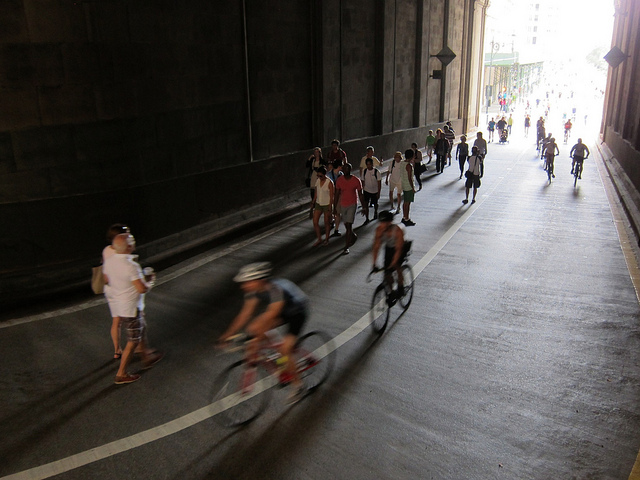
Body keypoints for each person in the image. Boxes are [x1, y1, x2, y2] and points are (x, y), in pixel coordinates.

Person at [219, 262, 309, 404]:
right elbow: (244, 315)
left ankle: (298, 386)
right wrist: (226, 335)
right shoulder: (253, 291)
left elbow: (271, 316)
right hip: (282, 310)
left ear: (259, 280)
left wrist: (256, 339)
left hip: (297, 311)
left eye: (247, 282)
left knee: (284, 350)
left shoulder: (275, 290)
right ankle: (279, 359)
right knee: (253, 328)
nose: (243, 286)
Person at [103, 234, 163, 384]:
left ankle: (147, 358)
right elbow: (142, 288)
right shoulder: (131, 266)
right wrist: (150, 281)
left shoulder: (109, 261)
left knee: (141, 329)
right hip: (131, 308)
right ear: (129, 246)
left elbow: (107, 279)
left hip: (120, 304)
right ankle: (121, 374)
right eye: (132, 240)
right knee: (133, 340)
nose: (134, 241)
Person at [102, 223, 130, 360]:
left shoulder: (106, 250)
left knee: (116, 320)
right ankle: (135, 346)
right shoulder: (121, 253)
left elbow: (106, 274)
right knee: (132, 318)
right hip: (120, 289)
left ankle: (117, 349)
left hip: (109, 289)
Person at [372, 210, 410, 298]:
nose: (382, 225)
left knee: (397, 265)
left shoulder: (398, 230)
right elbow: (376, 247)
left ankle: (401, 287)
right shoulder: (379, 230)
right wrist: (374, 264)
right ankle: (391, 291)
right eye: (381, 222)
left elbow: (398, 250)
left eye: (384, 223)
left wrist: (393, 263)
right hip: (389, 246)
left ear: (390, 222)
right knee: (387, 272)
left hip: (402, 245)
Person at [335, 163, 367, 254]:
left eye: (347, 169)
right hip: (343, 204)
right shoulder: (339, 180)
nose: (345, 171)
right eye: (344, 169)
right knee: (346, 224)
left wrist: (364, 207)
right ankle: (353, 235)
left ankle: (346, 246)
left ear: (350, 169)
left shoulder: (356, 180)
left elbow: (360, 194)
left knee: (349, 225)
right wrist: (334, 207)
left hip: (352, 204)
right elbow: (336, 194)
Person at [311, 166, 334, 246]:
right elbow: (316, 193)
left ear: (325, 175)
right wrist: (313, 203)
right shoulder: (318, 181)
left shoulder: (329, 183)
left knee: (326, 222)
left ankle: (327, 239)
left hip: (326, 204)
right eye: (318, 176)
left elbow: (331, 196)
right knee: (315, 221)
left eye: (321, 176)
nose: (319, 177)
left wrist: (330, 207)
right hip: (318, 203)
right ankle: (319, 239)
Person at [305, 147, 326, 217]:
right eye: (315, 152)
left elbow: (324, 168)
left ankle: (318, 205)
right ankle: (313, 205)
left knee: (318, 191)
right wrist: (310, 157)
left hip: (319, 176)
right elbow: (307, 165)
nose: (316, 154)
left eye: (317, 152)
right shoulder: (313, 160)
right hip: (313, 176)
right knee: (312, 191)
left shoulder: (322, 161)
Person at [361, 157, 381, 223]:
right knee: (366, 204)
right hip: (367, 190)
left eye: (370, 164)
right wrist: (362, 191)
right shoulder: (364, 172)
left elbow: (379, 183)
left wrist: (378, 192)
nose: (369, 166)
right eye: (367, 164)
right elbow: (362, 181)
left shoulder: (376, 172)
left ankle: (375, 212)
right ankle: (367, 218)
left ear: (372, 164)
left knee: (375, 203)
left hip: (375, 190)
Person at [327, 160, 344, 237]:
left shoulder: (341, 174)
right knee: (330, 211)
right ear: (339, 166)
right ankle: (331, 221)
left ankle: (336, 229)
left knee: (338, 212)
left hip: (339, 195)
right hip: (330, 196)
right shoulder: (329, 175)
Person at [400, 149, 416, 226]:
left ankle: (404, 216)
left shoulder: (402, 163)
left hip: (404, 184)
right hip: (408, 186)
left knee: (405, 202)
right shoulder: (409, 166)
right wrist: (413, 187)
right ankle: (407, 218)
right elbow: (410, 178)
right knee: (408, 203)